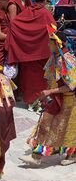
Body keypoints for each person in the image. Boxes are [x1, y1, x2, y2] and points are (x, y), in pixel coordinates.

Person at [19, 30, 76, 166]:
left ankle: (71, 154)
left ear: (57, 44)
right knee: (46, 125)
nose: (48, 44)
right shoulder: (54, 57)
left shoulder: (67, 60)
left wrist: (50, 91)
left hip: (68, 102)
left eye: (50, 42)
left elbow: (72, 86)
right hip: (55, 99)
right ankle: (37, 155)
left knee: (66, 130)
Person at [5, 0, 55, 106]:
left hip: (26, 53)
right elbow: (53, 30)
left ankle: (29, 101)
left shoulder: (26, 11)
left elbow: (14, 25)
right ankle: (41, 103)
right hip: (42, 53)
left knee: (29, 79)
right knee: (41, 79)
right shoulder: (45, 13)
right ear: (44, 1)